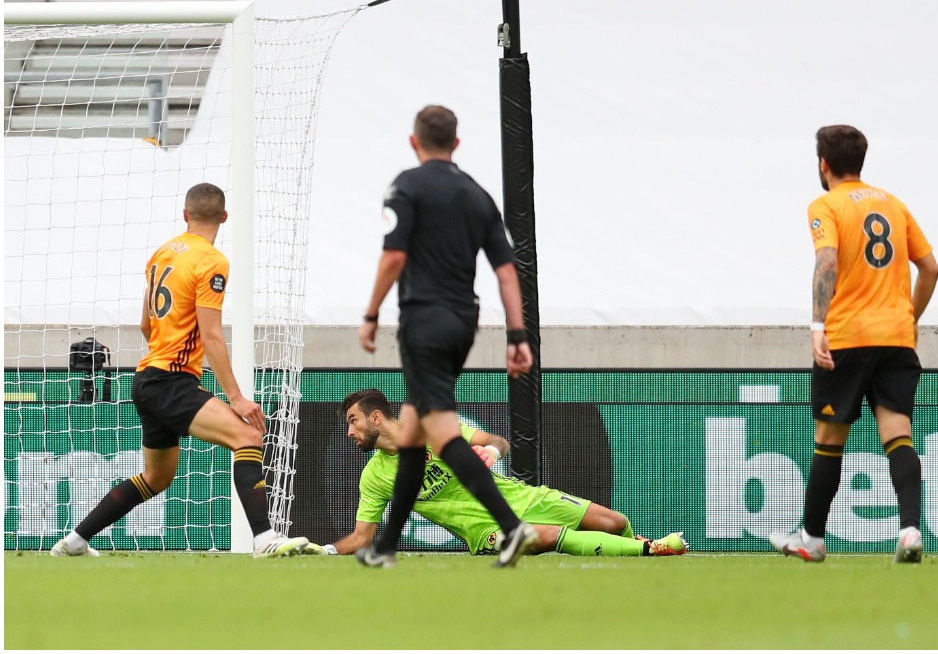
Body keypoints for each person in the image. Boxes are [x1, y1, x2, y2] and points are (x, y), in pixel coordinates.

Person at [51, 183, 311, 558]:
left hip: (147, 378)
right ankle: (264, 539)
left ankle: (74, 541)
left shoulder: (161, 254)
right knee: (247, 436)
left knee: (156, 478)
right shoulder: (211, 261)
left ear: (185, 215)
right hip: (172, 380)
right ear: (224, 217)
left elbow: (145, 324)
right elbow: (211, 335)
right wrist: (236, 397)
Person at [356, 104, 538, 569]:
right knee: (414, 430)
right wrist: (517, 334)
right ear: (456, 144)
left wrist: (372, 313)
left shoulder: (407, 186)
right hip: (462, 323)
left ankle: (511, 526)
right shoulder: (477, 195)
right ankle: (386, 549)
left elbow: (393, 259)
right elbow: (505, 270)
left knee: (440, 432)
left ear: (414, 142)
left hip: (424, 323)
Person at [769, 125, 938, 564]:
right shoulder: (893, 203)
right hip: (897, 340)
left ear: (823, 164)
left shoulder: (825, 205)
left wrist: (815, 325)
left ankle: (812, 539)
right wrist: (908, 318)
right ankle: (909, 532)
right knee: (898, 434)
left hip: (846, 336)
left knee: (829, 440)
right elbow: (931, 268)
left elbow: (826, 258)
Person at [302, 389, 687, 560]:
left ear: (375, 417)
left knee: (613, 521)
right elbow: (362, 537)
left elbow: (497, 440)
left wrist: (490, 449)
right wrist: (325, 550)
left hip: (519, 497)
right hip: (483, 530)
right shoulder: (373, 476)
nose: (349, 432)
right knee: (549, 537)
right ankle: (651, 550)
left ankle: (638, 545)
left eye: (352, 422)